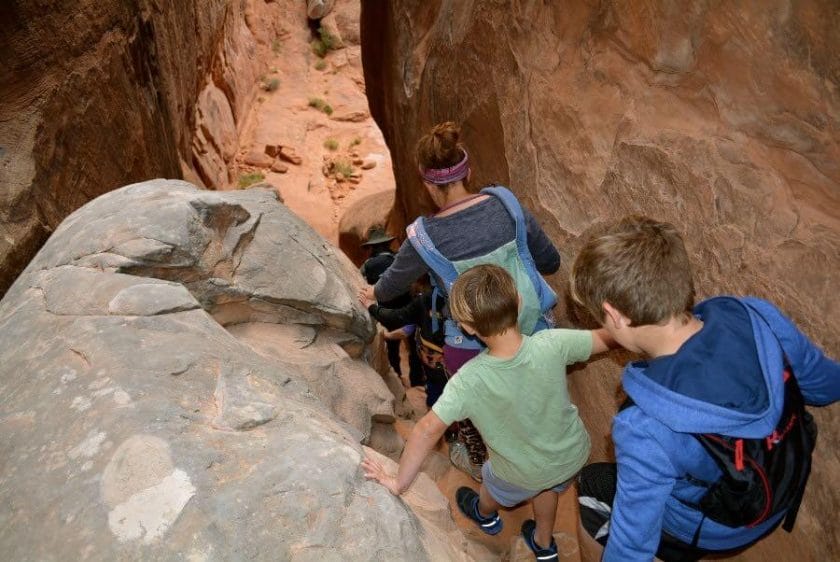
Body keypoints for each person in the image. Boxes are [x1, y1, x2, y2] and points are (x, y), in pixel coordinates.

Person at [569, 215, 840, 562]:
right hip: (782, 486)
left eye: (598, 317)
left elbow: (632, 548)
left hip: (717, 528)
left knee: (592, 483)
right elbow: (825, 387)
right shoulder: (757, 316)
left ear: (615, 315)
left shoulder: (644, 427)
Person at [363, 265, 614, 561]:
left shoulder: (468, 381)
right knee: (548, 484)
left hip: (518, 474)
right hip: (571, 455)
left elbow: (426, 430)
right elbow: (605, 338)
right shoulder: (552, 343)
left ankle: (485, 515)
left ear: (467, 326)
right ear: (519, 302)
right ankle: (544, 543)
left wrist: (398, 483)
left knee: (491, 480)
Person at [360, 121, 561, 481]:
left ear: (426, 182)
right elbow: (550, 261)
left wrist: (372, 293)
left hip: (472, 346)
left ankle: (482, 464)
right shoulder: (507, 204)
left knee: (475, 410)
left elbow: (391, 285)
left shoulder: (424, 236)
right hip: (535, 330)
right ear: (467, 170)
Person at [360, 284, 449, 408]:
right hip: (446, 368)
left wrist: (371, 307)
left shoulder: (424, 302)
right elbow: (406, 330)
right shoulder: (445, 301)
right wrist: (387, 335)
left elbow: (396, 318)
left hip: (438, 369)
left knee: (439, 398)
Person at [359, 226, 423, 387]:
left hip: (383, 312)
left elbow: (362, 284)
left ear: (372, 247)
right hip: (407, 310)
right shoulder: (398, 260)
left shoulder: (368, 265)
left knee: (391, 347)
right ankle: (416, 381)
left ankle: (397, 377)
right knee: (415, 347)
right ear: (387, 244)